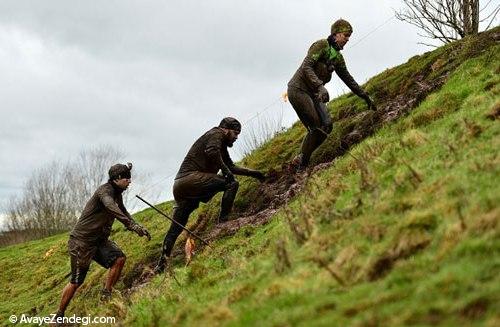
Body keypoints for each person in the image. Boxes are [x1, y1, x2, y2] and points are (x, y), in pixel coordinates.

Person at [155, 117, 266, 273]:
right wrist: (226, 172)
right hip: (190, 179)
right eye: (235, 133)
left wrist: (255, 174)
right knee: (232, 184)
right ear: (226, 129)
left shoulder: (220, 144)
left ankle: (160, 266)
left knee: (176, 228)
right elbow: (212, 152)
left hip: (180, 186)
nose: (236, 137)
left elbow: (231, 166)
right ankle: (223, 222)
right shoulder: (216, 134)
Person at [55, 163, 150, 318]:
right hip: (81, 242)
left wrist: (136, 226)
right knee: (76, 281)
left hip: (99, 240)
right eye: (127, 178)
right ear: (118, 178)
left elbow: (123, 211)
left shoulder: (117, 193)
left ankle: (106, 294)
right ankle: (59, 315)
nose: (130, 181)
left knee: (119, 259)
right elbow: (111, 206)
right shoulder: (104, 191)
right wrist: (131, 225)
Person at [288, 18, 376, 171]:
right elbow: (306, 67)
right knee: (316, 125)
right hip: (298, 89)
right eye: (345, 35)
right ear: (336, 34)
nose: (348, 39)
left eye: (349, 36)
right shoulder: (321, 45)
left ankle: (300, 159)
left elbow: (348, 79)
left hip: (315, 93)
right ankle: (302, 165)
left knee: (327, 125)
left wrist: (365, 96)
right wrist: (320, 86)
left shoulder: (338, 57)